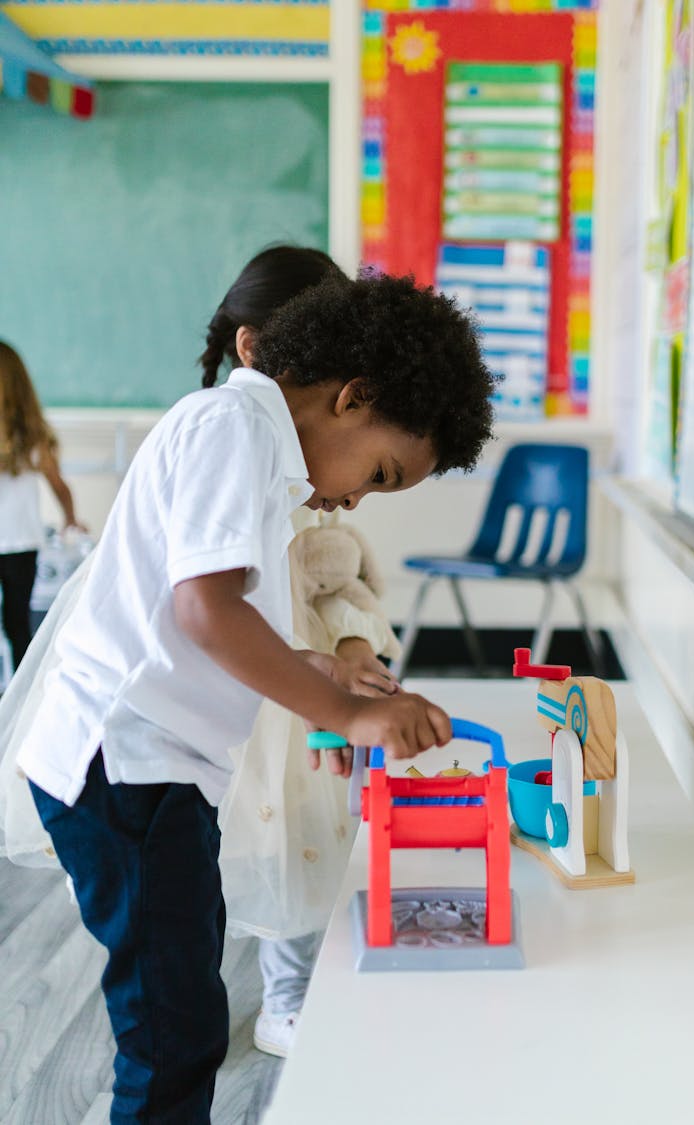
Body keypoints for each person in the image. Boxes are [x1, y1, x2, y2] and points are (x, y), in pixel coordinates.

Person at [14, 266, 494, 1124]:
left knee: (182, 1010)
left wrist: (324, 675)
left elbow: (212, 622)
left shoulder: (261, 457)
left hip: (154, 770)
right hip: (125, 765)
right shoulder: (231, 425)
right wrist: (343, 711)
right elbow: (204, 610)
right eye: (380, 473)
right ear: (353, 395)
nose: (355, 498)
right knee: (171, 1033)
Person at [199, 247, 403, 1057]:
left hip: (308, 682)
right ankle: (242, 988)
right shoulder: (226, 444)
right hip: (252, 687)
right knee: (242, 840)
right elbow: (205, 604)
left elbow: (344, 578)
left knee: (307, 835)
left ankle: (291, 987)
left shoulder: (313, 487)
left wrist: (352, 645)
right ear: (255, 350)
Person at [0, 341, 85, 671]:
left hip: (21, 543)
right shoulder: (32, 437)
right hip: (22, 543)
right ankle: (21, 700)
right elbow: (60, 488)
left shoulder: (31, 437)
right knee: (17, 624)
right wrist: (70, 519)